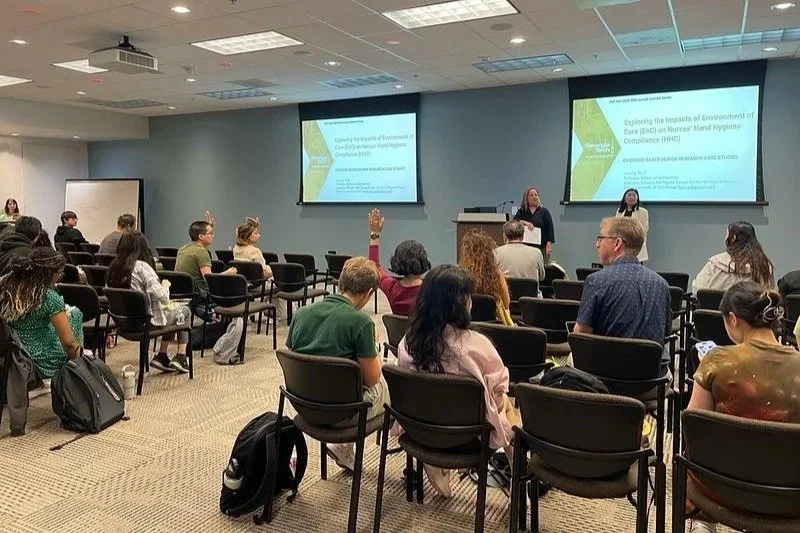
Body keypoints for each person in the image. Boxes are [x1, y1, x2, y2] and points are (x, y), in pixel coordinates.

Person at [686, 281, 800, 533]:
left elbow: (694, 429)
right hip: (789, 495)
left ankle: (703, 522)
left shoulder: (716, 361)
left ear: (733, 320)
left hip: (722, 488)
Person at [397, 264, 516, 498]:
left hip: (421, 429)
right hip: (468, 437)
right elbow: (498, 394)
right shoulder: (478, 346)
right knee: (507, 405)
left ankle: (433, 462)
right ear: (460, 304)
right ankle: (518, 473)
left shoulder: (407, 342)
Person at [286, 256, 388, 472]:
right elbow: (372, 379)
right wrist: (375, 349)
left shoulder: (301, 314)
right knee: (392, 380)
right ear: (369, 292)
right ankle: (423, 458)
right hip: (342, 415)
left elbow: (295, 359)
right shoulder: (361, 323)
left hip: (304, 406)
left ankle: (344, 448)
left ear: (341, 282)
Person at [575, 217, 672, 374]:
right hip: (651, 379)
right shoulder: (661, 284)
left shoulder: (596, 281)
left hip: (605, 378)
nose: (597, 244)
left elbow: (581, 337)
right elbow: (665, 334)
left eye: (600, 238)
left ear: (617, 244)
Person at [107, 231, 191, 373]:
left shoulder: (113, 267)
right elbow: (163, 297)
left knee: (171, 314)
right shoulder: (142, 267)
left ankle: (162, 356)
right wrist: (165, 285)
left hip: (124, 322)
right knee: (184, 311)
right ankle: (181, 356)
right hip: (147, 322)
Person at [0, 248, 83, 382]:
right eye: (59, 273)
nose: (60, 276)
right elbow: (68, 343)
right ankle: (78, 363)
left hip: (15, 352)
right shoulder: (48, 297)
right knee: (76, 314)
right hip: (41, 361)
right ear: (50, 273)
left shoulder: (7, 286)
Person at [367, 208, 429, 316]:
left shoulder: (391, 288)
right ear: (423, 260)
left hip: (399, 333)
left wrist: (374, 233)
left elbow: (373, 266)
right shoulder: (431, 289)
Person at [692, 221, 774, 293]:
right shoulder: (764, 266)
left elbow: (697, 290)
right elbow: (771, 294)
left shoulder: (715, 263)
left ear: (733, 238)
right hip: (752, 310)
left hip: (716, 310)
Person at [175, 212, 236, 298]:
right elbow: (209, 280)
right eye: (210, 233)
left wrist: (209, 227)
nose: (213, 236)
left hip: (182, 292)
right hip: (201, 294)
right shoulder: (201, 252)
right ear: (201, 236)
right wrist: (228, 273)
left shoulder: (182, 249)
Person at [460, 229, 513, 325]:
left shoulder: (459, 273)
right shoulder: (497, 274)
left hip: (467, 324)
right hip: (493, 327)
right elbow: (507, 304)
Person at [512, 187, 555, 261]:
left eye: (536, 195)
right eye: (531, 195)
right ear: (526, 198)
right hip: (525, 247)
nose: (534, 197)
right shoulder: (522, 211)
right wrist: (524, 222)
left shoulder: (544, 212)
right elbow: (513, 223)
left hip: (541, 247)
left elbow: (550, 229)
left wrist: (549, 244)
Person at [614, 188, 648, 263]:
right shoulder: (620, 211)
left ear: (637, 198)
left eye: (634, 195)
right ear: (624, 199)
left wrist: (632, 232)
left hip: (636, 244)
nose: (631, 197)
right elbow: (616, 227)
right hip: (622, 244)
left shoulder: (643, 212)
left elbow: (644, 229)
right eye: (629, 195)